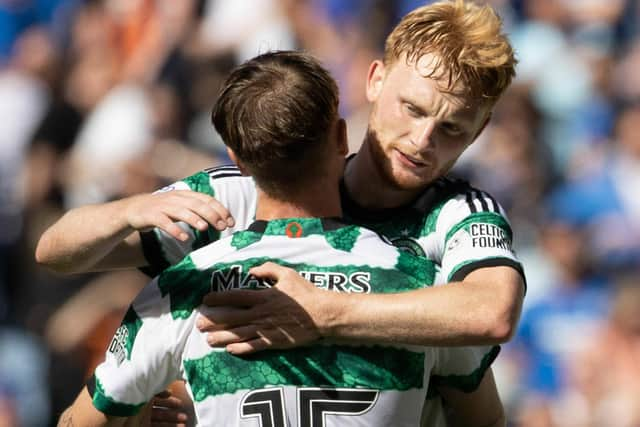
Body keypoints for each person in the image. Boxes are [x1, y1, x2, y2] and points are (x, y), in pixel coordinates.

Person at [37, 0, 524, 351]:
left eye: (452, 129)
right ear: (375, 79)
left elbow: (493, 312)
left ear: (479, 131)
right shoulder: (252, 190)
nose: (422, 140)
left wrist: (326, 313)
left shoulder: (458, 214)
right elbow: (57, 254)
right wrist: (129, 210)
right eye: (413, 109)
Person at [58, 50, 504, 427]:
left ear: (238, 157)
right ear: (340, 137)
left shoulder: (185, 286)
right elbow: (486, 418)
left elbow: (80, 420)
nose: (423, 139)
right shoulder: (424, 291)